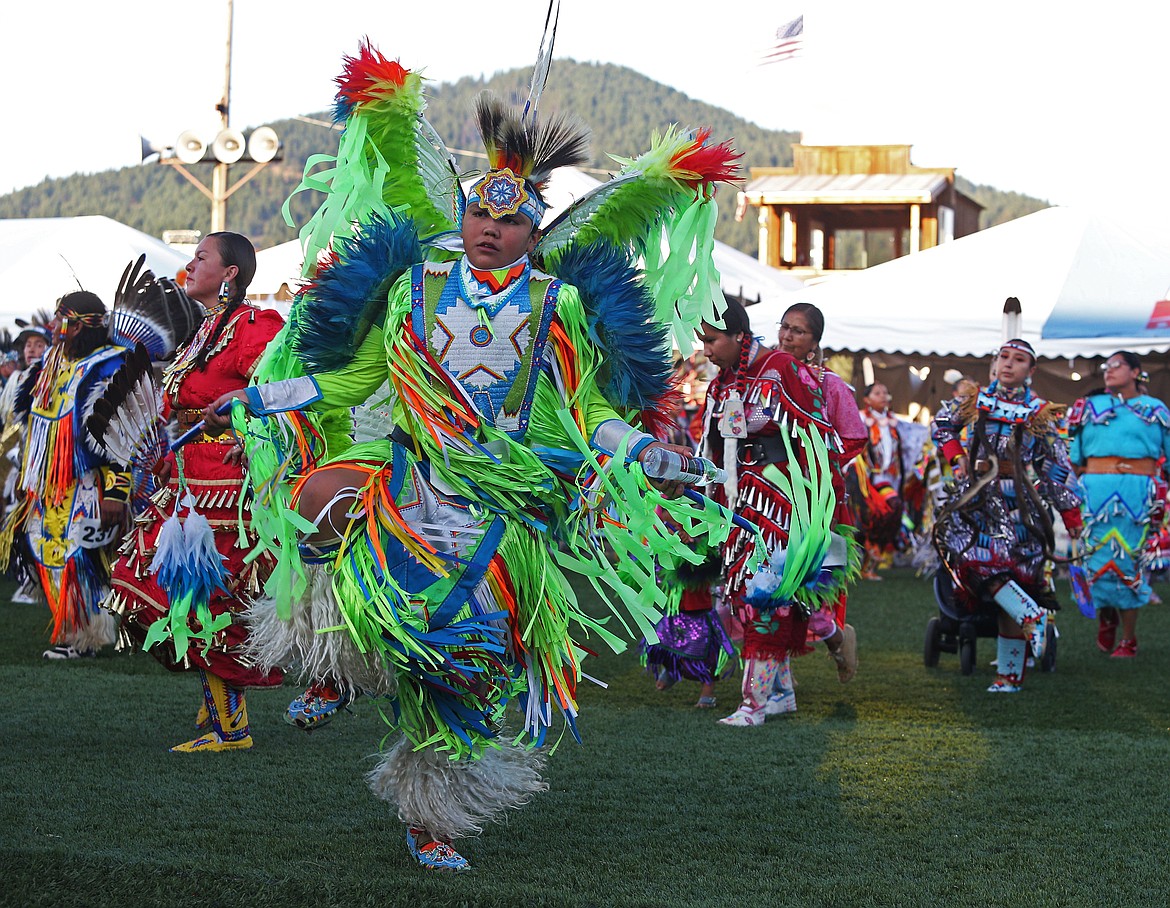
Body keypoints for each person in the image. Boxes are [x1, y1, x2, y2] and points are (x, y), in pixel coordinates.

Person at [204, 41, 738, 871]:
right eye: (480, 217)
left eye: (510, 221)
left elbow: (589, 408)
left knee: (463, 661)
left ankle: (431, 816)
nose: (490, 231)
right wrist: (256, 398)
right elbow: (349, 384)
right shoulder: (414, 286)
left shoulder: (558, 304)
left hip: (498, 511)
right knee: (323, 518)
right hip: (409, 479)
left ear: (535, 229)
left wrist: (640, 450)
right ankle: (330, 665)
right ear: (461, 213)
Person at [104, 233, 286, 751]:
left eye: (201, 256)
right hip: (186, 479)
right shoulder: (201, 331)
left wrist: (249, 433)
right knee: (166, 589)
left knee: (207, 598)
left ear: (230, 272)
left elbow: (281, 394)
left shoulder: (256, 327)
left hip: (226, 486)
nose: (189, 264)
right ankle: (217, 714)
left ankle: (231, 726)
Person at [698, 298, 863, 727]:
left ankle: (753, 703)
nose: (706, 350)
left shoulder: (781, 370)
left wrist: (816, 499)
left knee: (767, 593)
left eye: (712, 340)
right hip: (739, 497)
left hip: (784, 493)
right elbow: (715, 445)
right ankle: (791, 683)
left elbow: (819, 433)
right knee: (753, 595)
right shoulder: (721, 383)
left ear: (738, 336)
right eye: (703, 341)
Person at [931, 338, 1083, 692]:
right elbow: (943, 424)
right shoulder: (974, 401)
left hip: (1019, 506)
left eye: (1018, 360)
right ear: (995, 363)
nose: (1008, 365)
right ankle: (1031, 616)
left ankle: (1009, 677)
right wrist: (957, 458)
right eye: (1003, 357)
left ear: (1031, 370)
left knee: (1015, 581)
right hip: (976, 500)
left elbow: (1056, 467)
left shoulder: (1040, 413)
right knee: (975, 563)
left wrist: (1071, 516)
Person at [0, 292, 131, 658]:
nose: (59, 330)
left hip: (87, 482)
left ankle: (87, 637)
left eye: (67, 322)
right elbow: (29, 425)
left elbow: (125, 434)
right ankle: (75, 631)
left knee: (79, 555)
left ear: (86, 326)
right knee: (49, 553)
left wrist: (117, 493)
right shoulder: (50, 363)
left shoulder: (108, 366)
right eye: (58, 320)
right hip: (46, 484)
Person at [774, 303, 868, 689]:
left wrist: (817, 464)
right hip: (771, 498)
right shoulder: (766, 379)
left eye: (797, 331)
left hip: (818, 503)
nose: (787, 336)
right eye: (784, 327)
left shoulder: (830, 386)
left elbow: (854, 435)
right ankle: (776, 672)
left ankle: (837, 641)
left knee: (810, 593)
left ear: (814, 343)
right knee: (768, 586)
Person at [1067, 352, 1170, 656]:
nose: (1109, 371)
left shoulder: (1156, 410)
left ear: (1136, 372)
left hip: (1138, 494)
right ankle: (1106, 616)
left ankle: (1128, 638)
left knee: (1130, 561)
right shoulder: (1090, 407)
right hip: (1096, 493)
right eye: (1106, 367)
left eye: (1117, 365)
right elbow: (1075, 456)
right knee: (1096, 560)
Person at [850, 381, 908, 579]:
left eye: (885, 392)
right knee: (868, 518)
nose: (883, 396)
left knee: (891, 510)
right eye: (877, 393)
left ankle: (872, 561)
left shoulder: (894, 423)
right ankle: (865, 562)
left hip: (887, 478)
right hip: (864, 480)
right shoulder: (859, 418)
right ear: (866, 399)